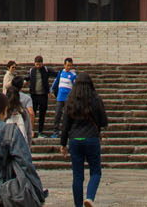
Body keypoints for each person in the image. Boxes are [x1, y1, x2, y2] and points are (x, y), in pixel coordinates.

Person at [55, 74, 108, 207]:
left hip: (75, 139)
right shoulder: (96, 99)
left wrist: (63, 143)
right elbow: (103, 121)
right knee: (95, 171)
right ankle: (89, 197)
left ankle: (78, 205)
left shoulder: (71, 100)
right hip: (91, 138)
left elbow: (65, 125)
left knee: (77, 175)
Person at [29, 56, 52, 135]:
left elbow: (56, 74)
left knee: (42, 114)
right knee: (32, 113)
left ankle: (40, 131)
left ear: (42, 63)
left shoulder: (46, 70)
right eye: (37, 64)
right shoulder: (32, 70)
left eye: (39, 64)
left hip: (43, 95)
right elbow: (28, 77)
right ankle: (31, 130)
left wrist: (50, 90)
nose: (38, 66)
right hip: (34, 95)